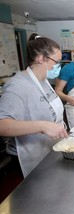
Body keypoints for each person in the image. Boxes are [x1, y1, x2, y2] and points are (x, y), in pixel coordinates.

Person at [0, 33, 68, 177]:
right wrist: (43, 126)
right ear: (41, 58)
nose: (58, 66)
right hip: (27, 156)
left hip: (47, 150)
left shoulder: (44, 82)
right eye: (56, 62)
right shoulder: (17, 85)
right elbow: (3, 125)